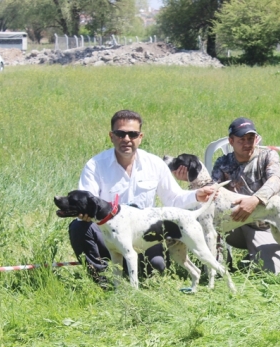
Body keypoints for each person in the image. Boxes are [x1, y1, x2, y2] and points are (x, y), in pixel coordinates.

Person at [69, 109, 217, 285]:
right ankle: (103, 282)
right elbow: (87, 202)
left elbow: (174, 199)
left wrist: (197, 195)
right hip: (108, 234)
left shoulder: (154, 164)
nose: (126, 139)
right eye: (120, 133)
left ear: (140, 137)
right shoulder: (95, 166)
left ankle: (133, 271)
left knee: (156, 267)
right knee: (79, 227)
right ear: (111, 136)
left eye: (132, 134)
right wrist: (83, 214)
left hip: (142, 234)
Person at [200, 117, 280, 274]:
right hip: (233, 223)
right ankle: (216, 263)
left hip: (264, 226)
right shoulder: (223, 162)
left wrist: (255, 200)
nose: (247, 143)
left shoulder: (268, 156)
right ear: (231, 141)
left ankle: (259, 253)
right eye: (242, 139)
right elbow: (212, 191)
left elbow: (277, 180)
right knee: (207, 222)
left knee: (270, 271)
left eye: (251, 138)